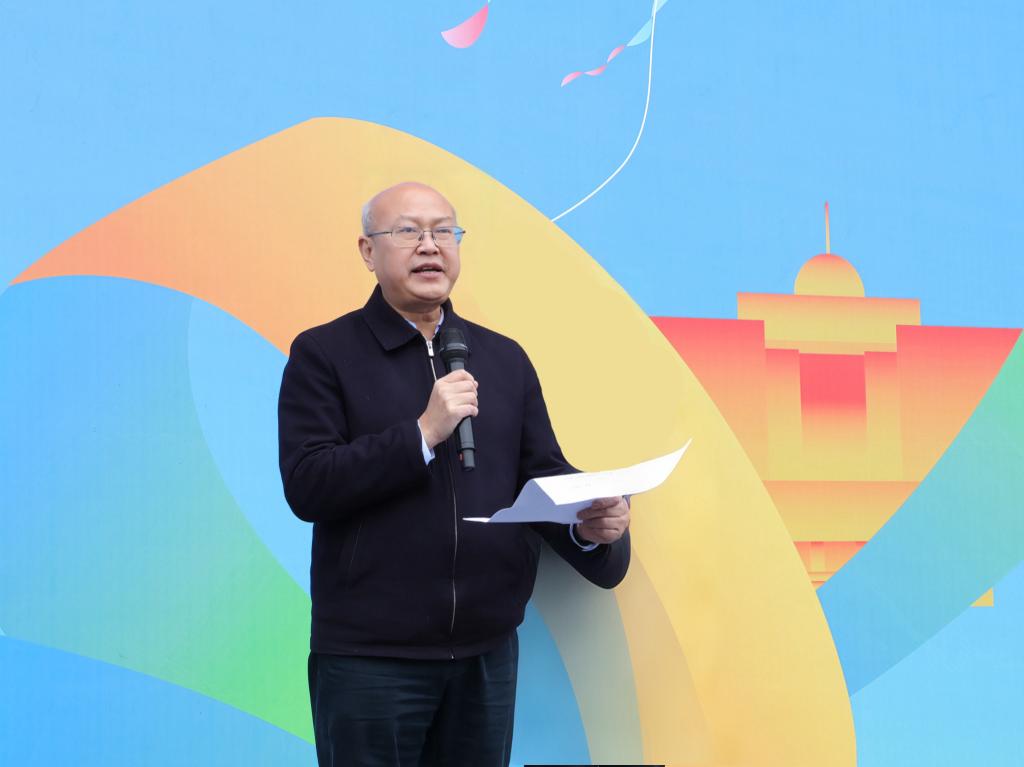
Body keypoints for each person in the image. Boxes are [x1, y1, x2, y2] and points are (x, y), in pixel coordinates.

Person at [278, 182, 631, 767]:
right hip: (371, 660)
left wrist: (589, 524)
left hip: (485, 655)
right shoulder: (324, 354)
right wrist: (421, 434)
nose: (430, 245)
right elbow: (308, 482)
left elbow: (540, 476)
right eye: (408, 231)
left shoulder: (504, 359)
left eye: (444, 231)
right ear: (368, 251)